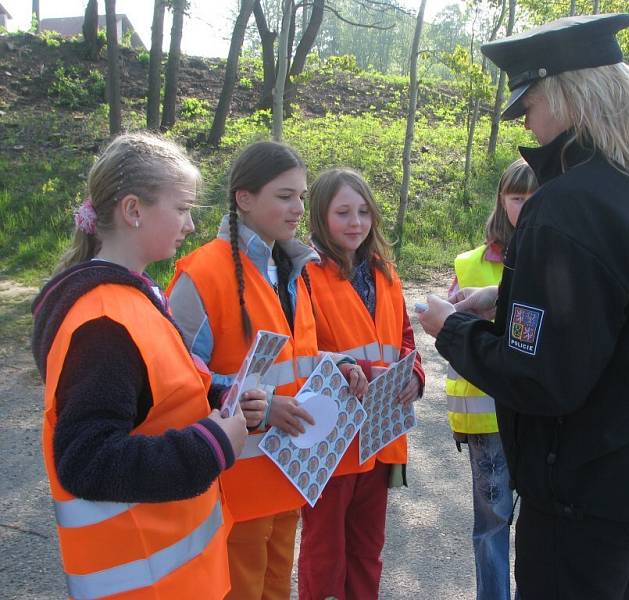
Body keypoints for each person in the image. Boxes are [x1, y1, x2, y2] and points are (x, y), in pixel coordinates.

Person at [417, 13, 629, 600]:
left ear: (567, 96)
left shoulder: (566, 205)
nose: (525, 120)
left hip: (586, 487)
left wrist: (452, 330)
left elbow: (539, 380)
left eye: (530, 103)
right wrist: (504, 298)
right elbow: (624, 305)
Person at [31, 132, 257, 599]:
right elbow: (85, 460)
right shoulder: (102, 324)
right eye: (181, 209)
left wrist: (220, 401)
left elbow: (156, 393)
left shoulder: (131, 299)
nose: (191, 225)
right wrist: (212, 445)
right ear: (133, 210)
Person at [168, 142, 367, 600]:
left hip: (288, 476)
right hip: (234, 486)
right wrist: (261, 407)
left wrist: (338, 366)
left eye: (301, 196)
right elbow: (175, 381)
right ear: (244, 199)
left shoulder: (292, 270)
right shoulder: (201, 275)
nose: (299, 208)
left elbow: (295, 359)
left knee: (276, 590)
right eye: (284, 196)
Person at [297, 168, 425, 600]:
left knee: (368, 548)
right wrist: (344, 369)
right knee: (324, 547)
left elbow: (404, 337)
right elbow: (300, 350)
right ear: (319, 216)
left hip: (380, 432)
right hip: (331, 437)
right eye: (343, 213)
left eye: (364, 211)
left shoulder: (384, 272)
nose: (356, 222)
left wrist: (417, 374)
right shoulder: (305, 275)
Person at [445, 158, 537, 600]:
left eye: (535, 197)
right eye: (518, 198)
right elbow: (453, 342)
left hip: (539, 413)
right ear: (502, 201)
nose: (527, 206)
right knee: (493, 522)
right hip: (487, 420)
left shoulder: (559, 258)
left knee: (540, 521)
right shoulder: (468, 265)